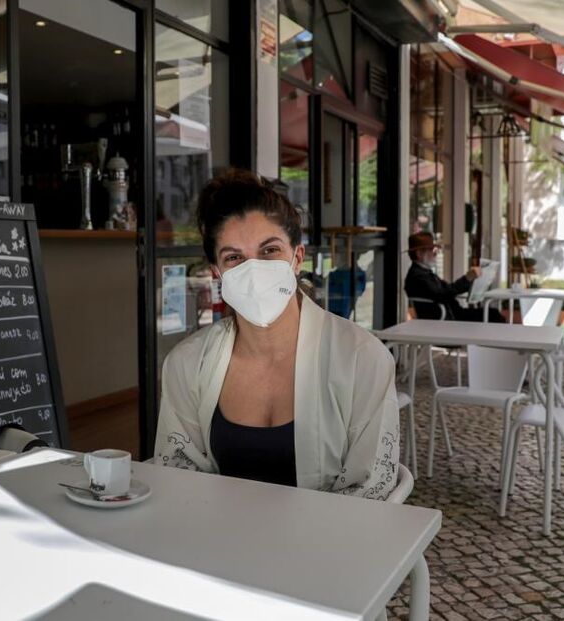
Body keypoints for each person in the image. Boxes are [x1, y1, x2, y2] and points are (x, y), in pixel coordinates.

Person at [153, 169, 399, 500]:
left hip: (329, 533)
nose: (254, 270)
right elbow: (179, 474)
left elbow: (369, 490)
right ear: (217, 273)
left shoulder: (361, 359)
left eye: (269, 250)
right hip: (217, 531)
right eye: (234, 257)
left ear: (297, 258)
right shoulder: (187, 364)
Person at [404, 232, 504, 322]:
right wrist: (467, 278)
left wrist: (471, 282)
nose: (436, 253)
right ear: (419, 254)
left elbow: (448, 289)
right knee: (493, 315)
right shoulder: (418, 276)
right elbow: (443, 293)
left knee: (492, 313)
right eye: (432, 250)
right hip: (447, 318)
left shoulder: (423, 272)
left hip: (452, 314)